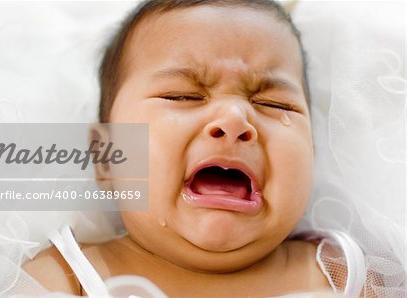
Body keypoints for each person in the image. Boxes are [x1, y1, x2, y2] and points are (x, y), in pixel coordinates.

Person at [23, 0, 365, 296]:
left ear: (314, 152)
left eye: (274, 103)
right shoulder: (67, 276)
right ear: (106, 159)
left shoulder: (346, 275)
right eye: (182, 96)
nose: (234, 119)